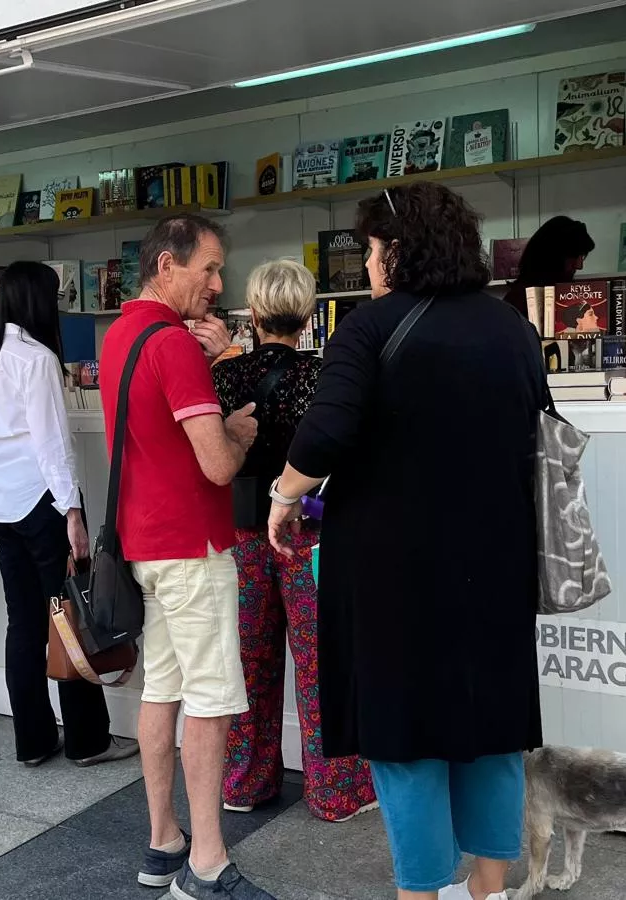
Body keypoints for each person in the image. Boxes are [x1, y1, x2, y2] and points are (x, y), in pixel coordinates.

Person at [268, 183, 547, 900]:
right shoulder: (512, 326)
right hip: (498, 558)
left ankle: (423, 893)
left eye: (368, 248)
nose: (365, 265)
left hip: (395, 571)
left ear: (397, 249)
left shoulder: (371, 326)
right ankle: (490, 888)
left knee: (405, 734)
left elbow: (324, 433)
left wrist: (283, 494)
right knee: (491, 728)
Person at [98, 213, 271, 900]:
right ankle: (205, 863)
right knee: (210, 701)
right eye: (208, 267)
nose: (217, 282)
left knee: (162, 691)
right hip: (193, 549)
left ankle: (163, 840)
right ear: (166, 266)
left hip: (143, 544)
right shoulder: (172, 345)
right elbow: (218, 466)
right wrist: (239, 431)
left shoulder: (118, 337)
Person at [211, 259, 375, 823]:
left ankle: (244, 781)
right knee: (319, 661)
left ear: (252, 315)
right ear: (308, 316)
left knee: (248, 660)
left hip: (242, 536)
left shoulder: (224, 376)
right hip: (309, 534)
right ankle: (334, 791)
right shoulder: (325, 376)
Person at [0, 261, 140, 768]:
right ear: (38, 301)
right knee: (73, 619)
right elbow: (52, 444)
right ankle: (88, 739)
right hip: (44, 503)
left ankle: (34, 742)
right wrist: (73, 512)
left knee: (23, 626)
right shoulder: (36, 357)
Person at [500, 215, 595, 320]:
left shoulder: (568, 296)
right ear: (553, 257)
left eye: (582, 257)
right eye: (574, 257)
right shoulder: (518, 301)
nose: (579, 266)